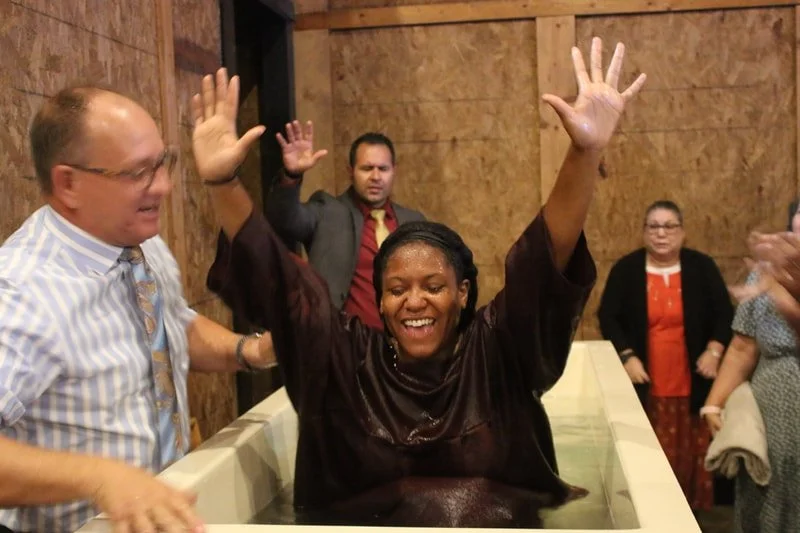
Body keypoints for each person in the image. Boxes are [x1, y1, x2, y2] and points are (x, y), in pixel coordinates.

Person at [195, 36, 645, 527]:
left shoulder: (497, 354)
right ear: (381, 302)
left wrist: (585, 152)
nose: (414, 302)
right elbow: (281, 284)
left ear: (463, 293)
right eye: (396, 289)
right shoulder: (343, 362)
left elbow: (543, 266)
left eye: (433, 286)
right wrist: (223, 184)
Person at [0, 85, 276, 533]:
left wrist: (251, 351)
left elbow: (171, 327)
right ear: (68, 183)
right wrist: (100, 478)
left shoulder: (137, 241)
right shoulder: (21, 291)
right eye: (138, 173)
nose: (164, 186)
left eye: (163, 163)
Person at [596, 200, 733, 511]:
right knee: (651, 456)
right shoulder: (627, 269)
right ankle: (654, 516)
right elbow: (608, 316)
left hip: (693, 383)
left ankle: (690, 520)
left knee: (689, 456)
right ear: (644, 233)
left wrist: (714, 351)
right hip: (647, 383)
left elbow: (725, 314)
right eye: (653, 226)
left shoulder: (701, 267)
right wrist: (627, 356)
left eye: (669, 226)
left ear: (682, 232)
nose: (661, 233)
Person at [266, 124, 425, 330]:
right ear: (351, 171)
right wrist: (291, 176)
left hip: (404, 345)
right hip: (345, 346)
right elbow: (284, 220)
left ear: (394, 171)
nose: (375, 177)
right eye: (367, 168)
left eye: (383, 169)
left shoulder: (413, 222)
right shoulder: (327, 211)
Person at [703, 202, 800, 532]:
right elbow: (742, 347)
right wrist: (713, 403)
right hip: (769, 414)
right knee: (767, 495)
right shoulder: (765, 275)